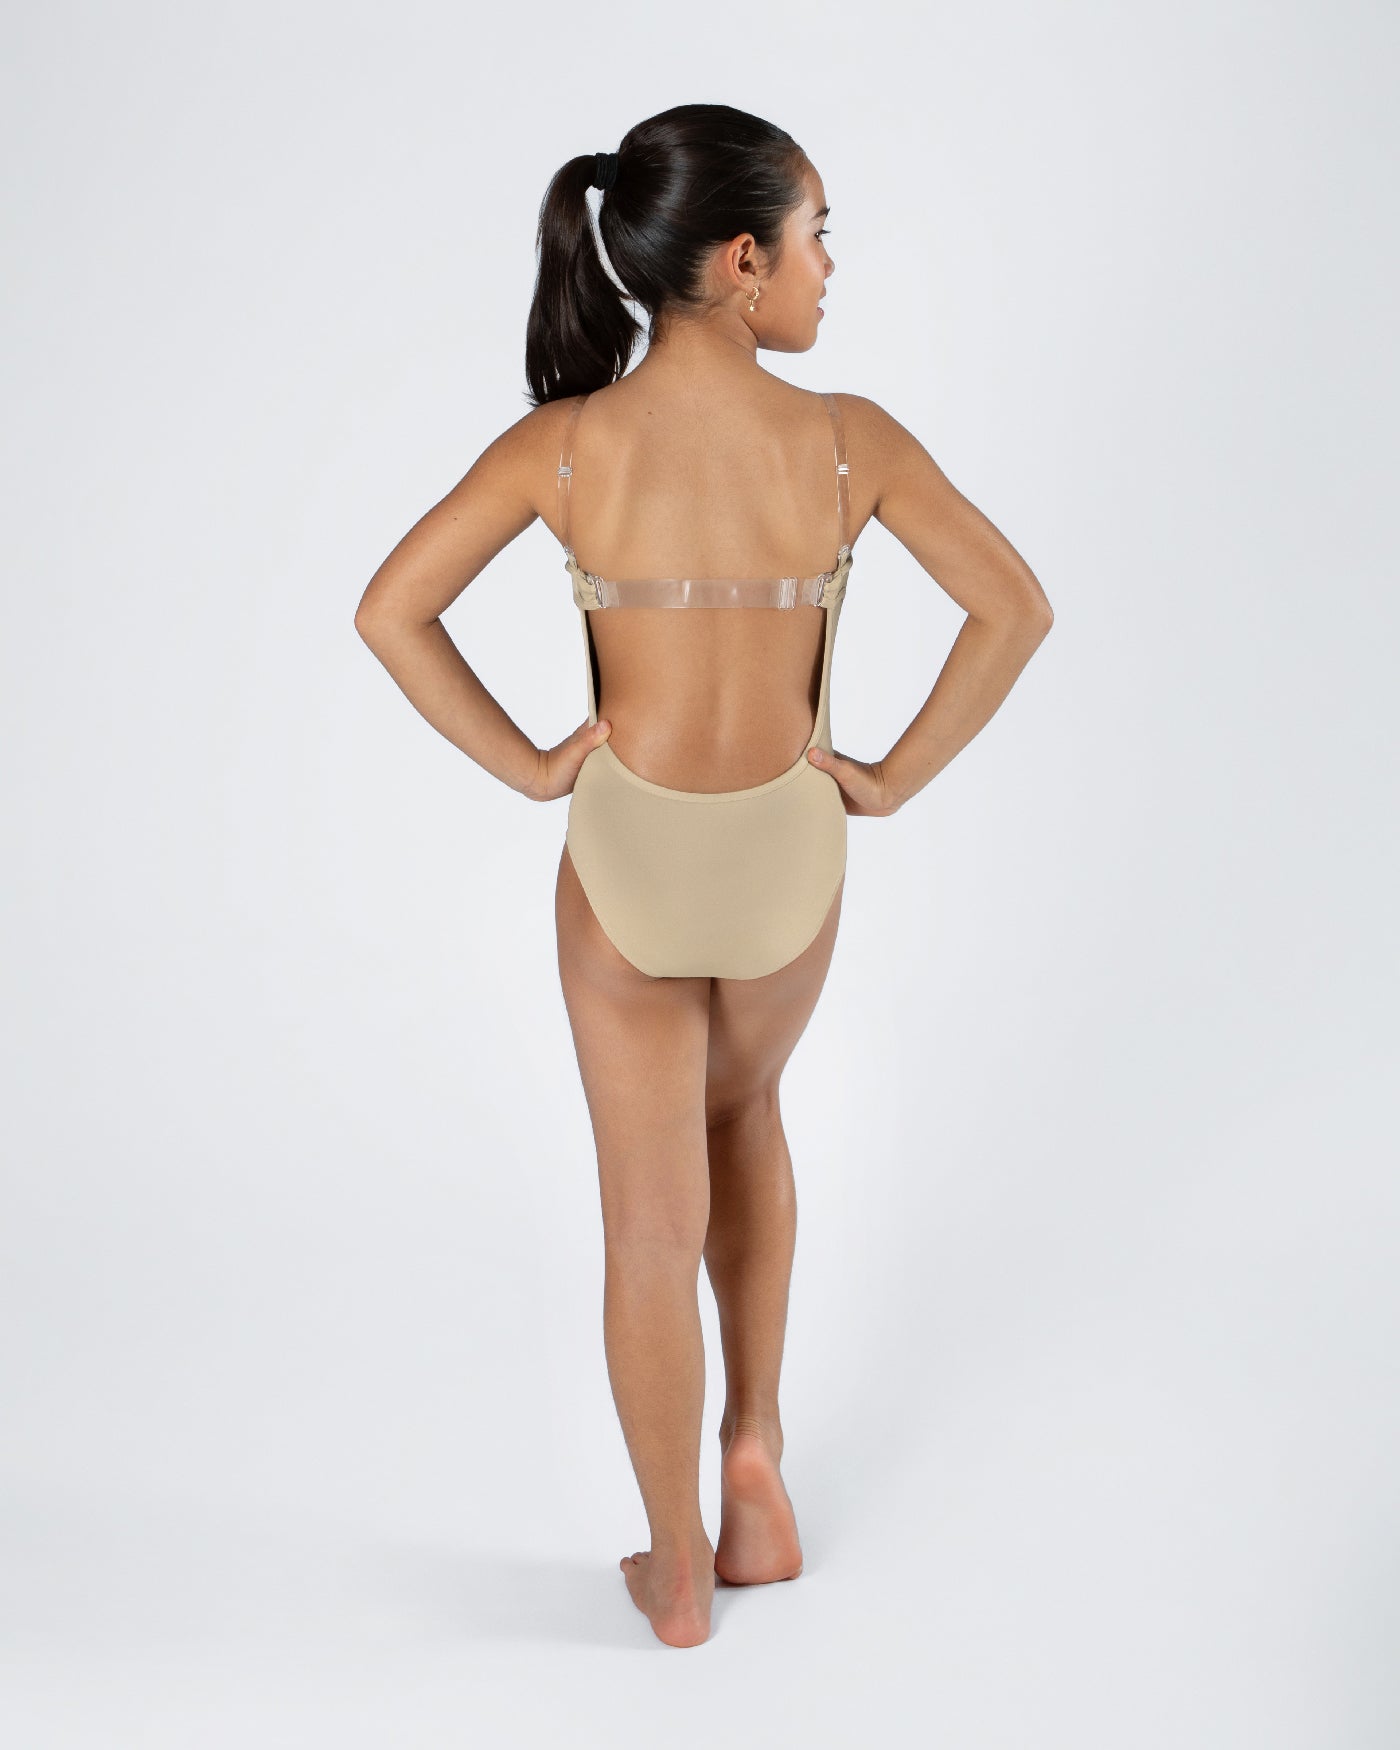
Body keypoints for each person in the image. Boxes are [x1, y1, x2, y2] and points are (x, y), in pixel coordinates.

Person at [354, 101, 1053, 1650]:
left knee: (646, 1225)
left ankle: (676, 1571)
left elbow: (391, 608)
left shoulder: (567, 446)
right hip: (789, 856)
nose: (828, 269)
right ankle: (754, 1458)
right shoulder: (850, 440)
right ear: (742, 261)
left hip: (628, 857)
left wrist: (537, 763)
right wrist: (888, 776)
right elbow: (1013, 607)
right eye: (817, 237)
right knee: (748, 1118)